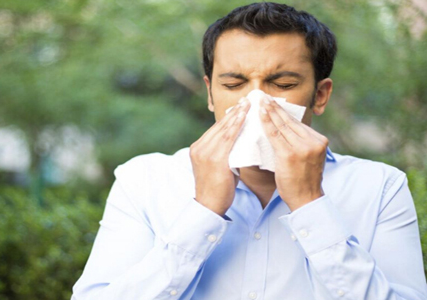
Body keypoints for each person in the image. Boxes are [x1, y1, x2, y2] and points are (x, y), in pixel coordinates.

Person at [72, 2, 427, 299]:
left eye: (283, 83)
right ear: (211, 94)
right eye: (234, 83)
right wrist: (204, 211)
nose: (256, 100)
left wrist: (311, 205)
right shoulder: (145, 181)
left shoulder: (380, 187)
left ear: (320, 95)